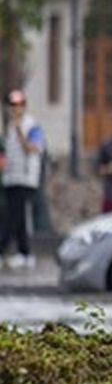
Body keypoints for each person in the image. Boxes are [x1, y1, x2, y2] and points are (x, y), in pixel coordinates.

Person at [0, 90, 45, 269]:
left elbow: (33, 148)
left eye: (19, 105)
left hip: (26, 178)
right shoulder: (8, 127)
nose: (16, 109)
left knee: (13, 217)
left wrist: (20, 133)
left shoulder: (32, 126)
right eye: (13, 105)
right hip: (11, 177)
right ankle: (24, 253)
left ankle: (2, 249)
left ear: (24, 106)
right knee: (18, 219)